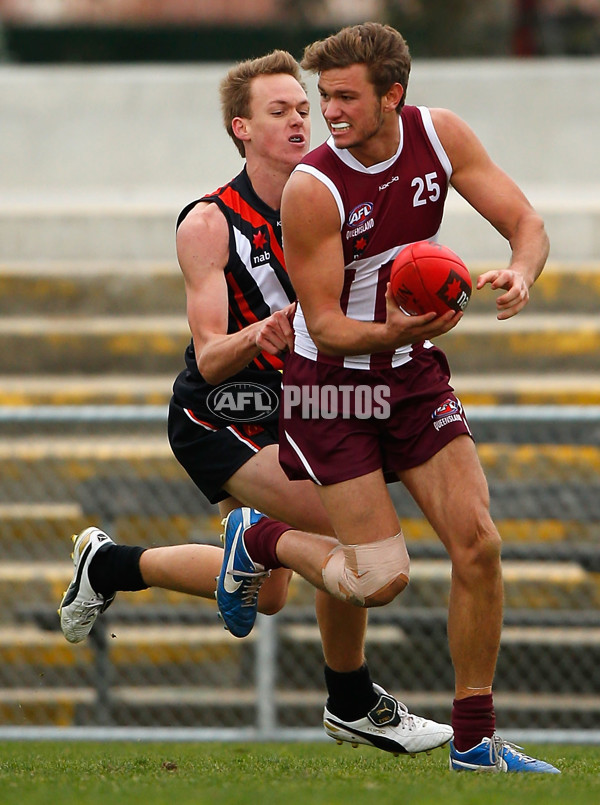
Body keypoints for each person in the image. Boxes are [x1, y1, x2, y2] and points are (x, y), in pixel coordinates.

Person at [58, 49, 452, 757]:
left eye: (303, 108)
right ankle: (351, 699)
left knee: (271, 595)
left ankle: (109, 565)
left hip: (298, 404)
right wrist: (261, 333)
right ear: (242, 128)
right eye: (281, 112)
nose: (302, 120)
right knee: (348, 533)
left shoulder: (327, 195)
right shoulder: (211, 223)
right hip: (223, 410)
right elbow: (209, 355)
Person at [214, 23, 560, 774]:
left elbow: (526, 223)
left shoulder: (440, 136)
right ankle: (258, 536)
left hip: (412, 375)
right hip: (332, 386)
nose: (326, 114)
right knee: (380, 578)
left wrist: (521, 271)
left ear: (393, 95)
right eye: (321, 97)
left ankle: (473, 740)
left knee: (480, 544)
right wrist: (397, 326)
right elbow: (328, 327)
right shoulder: (314, 187)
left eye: (343, 97)